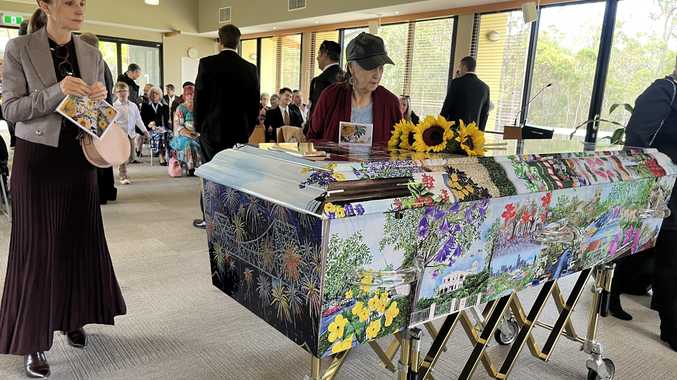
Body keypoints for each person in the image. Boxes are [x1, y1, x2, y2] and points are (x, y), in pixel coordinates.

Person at [0, 2, 127, 377]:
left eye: (82, 2)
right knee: (36, 251)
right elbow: (10, 108)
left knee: (78, 243)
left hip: (80, 162)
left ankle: (74, 317)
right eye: (69, 1)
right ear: (46, 4)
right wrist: (57, 91)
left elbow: (92, 109)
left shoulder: (91, 51)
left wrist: (100, 98)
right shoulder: (19, 49)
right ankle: (33, 341)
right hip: (37, 162)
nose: (78, 8)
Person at [620, 57, 677, 350]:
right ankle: (671, 326)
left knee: (648, 251)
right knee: (669, 256)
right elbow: (638, 140)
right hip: (663, 186)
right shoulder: (664, 90)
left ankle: (613, 290)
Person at [192, 24, 259, 229]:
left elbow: (200, 98)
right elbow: (254, 103)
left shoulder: (207, 63)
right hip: (239, 132)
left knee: (211, 173)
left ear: (219, 41)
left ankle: (210, 218)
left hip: (211, 130)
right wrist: (246, 130)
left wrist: (199, 126)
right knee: (236, 176)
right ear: (238, 42)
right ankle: (234, 218)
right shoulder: (250, 68)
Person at [307, 32, 401, 146]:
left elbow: (400, 148)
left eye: (381, 68)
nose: (377, 74)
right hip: (333, 164)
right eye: (370, 67)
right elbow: (311, 138)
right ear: (351, 67)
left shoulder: (390, 102)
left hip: (374, 164)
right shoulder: (330, 96)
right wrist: (330, 149)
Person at [79, 32, 118, 205]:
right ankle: (108, 191)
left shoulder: (91, 63)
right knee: (104, 154)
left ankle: (100, 193)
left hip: (95, 113)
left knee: (95, 155)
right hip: (105, 112)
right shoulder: (104, 63)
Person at [440, 56, 491, 131]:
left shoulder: (456, 83)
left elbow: (447, 107)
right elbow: (485, 115)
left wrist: (439, 127)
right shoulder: (485, 88)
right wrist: (480, 134)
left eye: (459, 67)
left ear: (464, 66)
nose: (459, 70)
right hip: (473, 133)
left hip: (455, 132)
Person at [114, 82, 150, 184]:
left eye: (124, 91)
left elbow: (138, 119)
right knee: (123, 156)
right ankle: (123, 176)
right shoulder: (114, 106)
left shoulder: (133, 106)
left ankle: (122, 169)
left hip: (131, 134)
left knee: (131, 157)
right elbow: (111, 122)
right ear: (116, 94)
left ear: (128, 93)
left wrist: (144, 131)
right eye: (119, 91)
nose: (122, 93)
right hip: (120, 134)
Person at [308, 40, 343, 134]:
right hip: (343, 131)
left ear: (325, 54)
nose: (317, 58)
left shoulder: (321, 80)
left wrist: (308, 131)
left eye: (319, 54)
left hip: (325, 133)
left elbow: (317, 112)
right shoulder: (346, 78)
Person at [170, 84, 201, 175]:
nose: (190, 96)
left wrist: (199, 133)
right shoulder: (181, 108)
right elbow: (178, 125)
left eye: (192, 94)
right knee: (190, 143)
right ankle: (191, 167)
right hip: (184, 134)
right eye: (188, 94)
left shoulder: (199, 107)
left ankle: (202, 166)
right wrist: (189, 133)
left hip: (198, 132)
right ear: (184, 96)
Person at [141, 86, 170, 165]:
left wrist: (156, 123)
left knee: (168, 134)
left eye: (156, 94)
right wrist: (150, 124)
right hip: (150, 128)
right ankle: (161, 156)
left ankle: (170, 156)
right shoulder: (145, 106)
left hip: (162, 127)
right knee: (158, 135)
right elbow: (142, 119)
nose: (154, 96)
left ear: (160, 95)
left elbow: (166, 119)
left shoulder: (164, 106)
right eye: (152, 94)